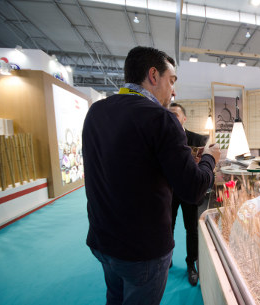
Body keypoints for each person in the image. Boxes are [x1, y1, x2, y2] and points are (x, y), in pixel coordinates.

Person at [82, 46, 221, 305]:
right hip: (141, 251)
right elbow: (193, 189)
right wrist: (210, 158)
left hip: (103, 241)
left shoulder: (96, 112)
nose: (174, 91)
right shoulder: (160, 119)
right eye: (172, 81)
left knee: (115, 299)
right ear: (153, 75)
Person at [168, 102, 208, 286]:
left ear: (184, 118)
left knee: (191, 228)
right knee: (167, 225)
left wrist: (201, 161)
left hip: (189, 189)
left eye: (176, 114)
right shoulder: (162, 137)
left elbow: (204, 166)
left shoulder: (197, 139)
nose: (172, 117)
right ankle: (166, 258)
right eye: (169, 114)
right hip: (168, 190)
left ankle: (191, 264)